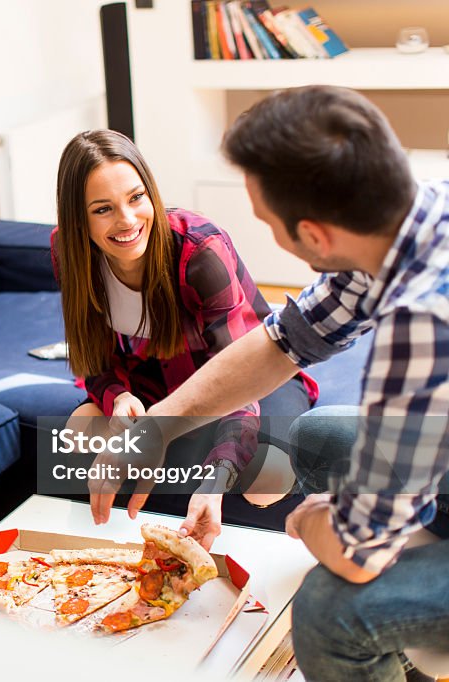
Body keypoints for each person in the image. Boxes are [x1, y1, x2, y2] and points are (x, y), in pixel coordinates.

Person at [103, 86, 449, 680]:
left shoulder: (422, 322)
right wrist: (161, 426)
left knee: (328, 608)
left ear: (314, 236)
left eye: (265, 222)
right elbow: (281, 340)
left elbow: (359, 559)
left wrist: (314, 521)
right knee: (314, 440)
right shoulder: (412, 221)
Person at [54, 129, 316, 531]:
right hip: (151, 385)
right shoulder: (67, 253)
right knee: (77, 435)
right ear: (78, 219)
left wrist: (216, 478)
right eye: (103, 209)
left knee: (266, 478)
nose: (127, 221)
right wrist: (118, 396)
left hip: (250, 377)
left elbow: (240, 379)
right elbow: (91, 358)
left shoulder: (200, 251)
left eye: (136, 198)